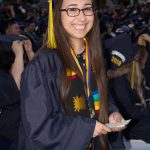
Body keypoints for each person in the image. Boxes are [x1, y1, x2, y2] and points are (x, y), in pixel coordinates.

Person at [19, 0, 126, 150]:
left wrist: (111, 113)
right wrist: (86, 129)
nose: (82, 18)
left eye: (87, 9)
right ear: (57, 14)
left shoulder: (95, 57)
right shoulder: (42, 66)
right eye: (72, 9)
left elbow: (98, 97)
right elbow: (38, 130)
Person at [106, 33, 150, 143]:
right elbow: (129, 112)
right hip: (125, 125)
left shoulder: (127, 76)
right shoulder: (118, 82)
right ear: (135, 63)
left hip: (133, 119)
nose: (144, 65)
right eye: (143, 62)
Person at [0, 36, 34, 150]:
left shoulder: (13, 73)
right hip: (8, 136)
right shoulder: (5, 78)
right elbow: (14, 87)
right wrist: (19, 54)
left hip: (21, 131)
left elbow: (40, 75)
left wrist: (29, 52)